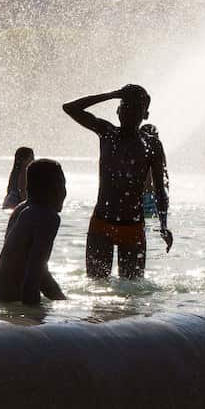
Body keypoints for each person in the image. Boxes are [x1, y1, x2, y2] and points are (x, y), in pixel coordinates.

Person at [63, 85, 171, 280]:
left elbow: (160, 190)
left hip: (133, 226)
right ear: (118, 110)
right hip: (102, 222)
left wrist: (164, 224)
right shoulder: (106, 132)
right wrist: (111, 95)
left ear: (145, 115)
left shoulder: (152, 144)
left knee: (132, 291)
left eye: (136, 109)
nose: (129, 113)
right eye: (125, 106)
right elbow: (70, 108)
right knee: (96, 286)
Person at [0, 159, 67, 305]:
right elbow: (32, 280)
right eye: (63, 185)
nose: (64, 192)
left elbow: (40, 274)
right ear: (55, 188)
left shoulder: (21, 209)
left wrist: (63, 302)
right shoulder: (46, 216)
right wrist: (34, 322)